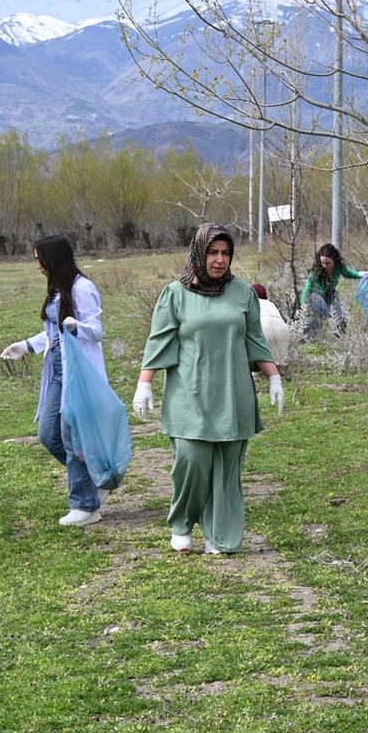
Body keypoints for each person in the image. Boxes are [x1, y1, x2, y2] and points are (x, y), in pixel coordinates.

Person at [132, 224, 284, 554]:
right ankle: (183, 521)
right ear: (198, 253)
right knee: (192, 459)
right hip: (189, 393)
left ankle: (220, 535)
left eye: (225, 253)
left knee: (228, 469)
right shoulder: (175, 293)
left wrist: (274, 377)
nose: (219, 260)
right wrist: (145, 384)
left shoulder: (243, 293)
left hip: (233, 394)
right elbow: (160, 341)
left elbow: (254, 340)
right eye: (212, 252)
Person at [0, 234, 112, 528]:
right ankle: (96, 480)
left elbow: (96, 331)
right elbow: (53, 332)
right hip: (58, 373)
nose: (37, 265)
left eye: (39, 259)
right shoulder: (56, 289)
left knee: (72, 439)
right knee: (49, 435)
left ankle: (85, 506)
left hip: (79, 375)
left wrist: (78, 328)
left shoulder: (83, 288)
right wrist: (27, 345)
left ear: (52, 259)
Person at [299, 243, 366, 336]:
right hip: (315, 294)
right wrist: (304, 302)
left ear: (334, 260)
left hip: (330, 292)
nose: (325, 265)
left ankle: (340, 336)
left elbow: (348, 273)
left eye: (328, 263)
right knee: (323, 311)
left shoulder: (340, 267)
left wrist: (359, 274)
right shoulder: (317, 268)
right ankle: (307, 336)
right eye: (322, 262)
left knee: (339, 314)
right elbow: (308, 285)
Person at [251, 283, 292, 362]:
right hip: (282, 328)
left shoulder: (251, 302)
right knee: (280, 361)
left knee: (258, 360)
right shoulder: (271, 304)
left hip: (263, 325)